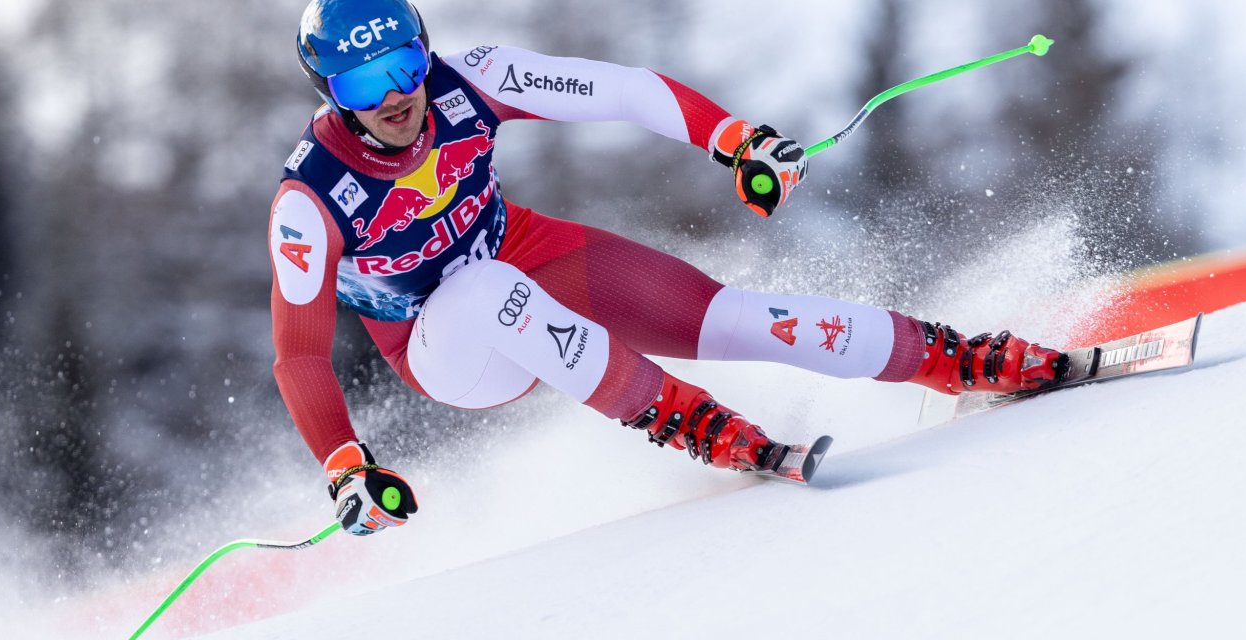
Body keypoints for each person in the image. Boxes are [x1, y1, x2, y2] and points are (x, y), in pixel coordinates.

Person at [270, 0, 1067, 535]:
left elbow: (622, 90)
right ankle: (687, 419)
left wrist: (735, 139)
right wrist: (348, 467)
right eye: (364, 83)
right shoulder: (311, 197)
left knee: (730, 316)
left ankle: (952, 357)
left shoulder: (471, 78)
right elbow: (299, 353)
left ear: (425, 52)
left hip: (525, 258)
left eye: (406, 66)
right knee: (485, 289)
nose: (396, 97)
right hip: (444, 350)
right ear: (328, 92)